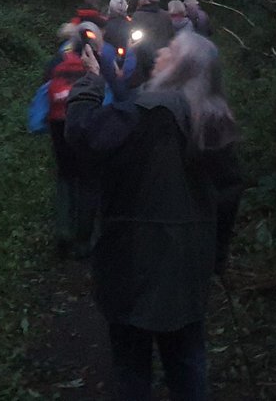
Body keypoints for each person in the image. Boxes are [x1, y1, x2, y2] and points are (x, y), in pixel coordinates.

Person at [66, 30, 243, 401]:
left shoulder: (142, 115)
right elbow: (228, 196)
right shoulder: (215, 123)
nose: (161, 50)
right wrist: (216, 256)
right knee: (188, 359)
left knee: (132, 366)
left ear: (184, 68)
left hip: (132, 264)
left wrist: (90, 83)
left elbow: (83, 137)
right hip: (189, 267)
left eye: (172, 50)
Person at [42, 21, 115, 258]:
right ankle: (83, 241)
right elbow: (111, 95)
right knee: (87, 180)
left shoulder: (56, 62)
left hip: (58, 124)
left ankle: (63, 230)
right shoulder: (99, 63)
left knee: (65, 177)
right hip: (87, 126)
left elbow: (44, 90)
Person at [129, 0, 173, 87]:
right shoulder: (166, 15)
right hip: (162, 58)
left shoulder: (137, 16)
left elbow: (134, 39)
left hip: (142, 60)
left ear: (144, 0)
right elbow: (171, 36)